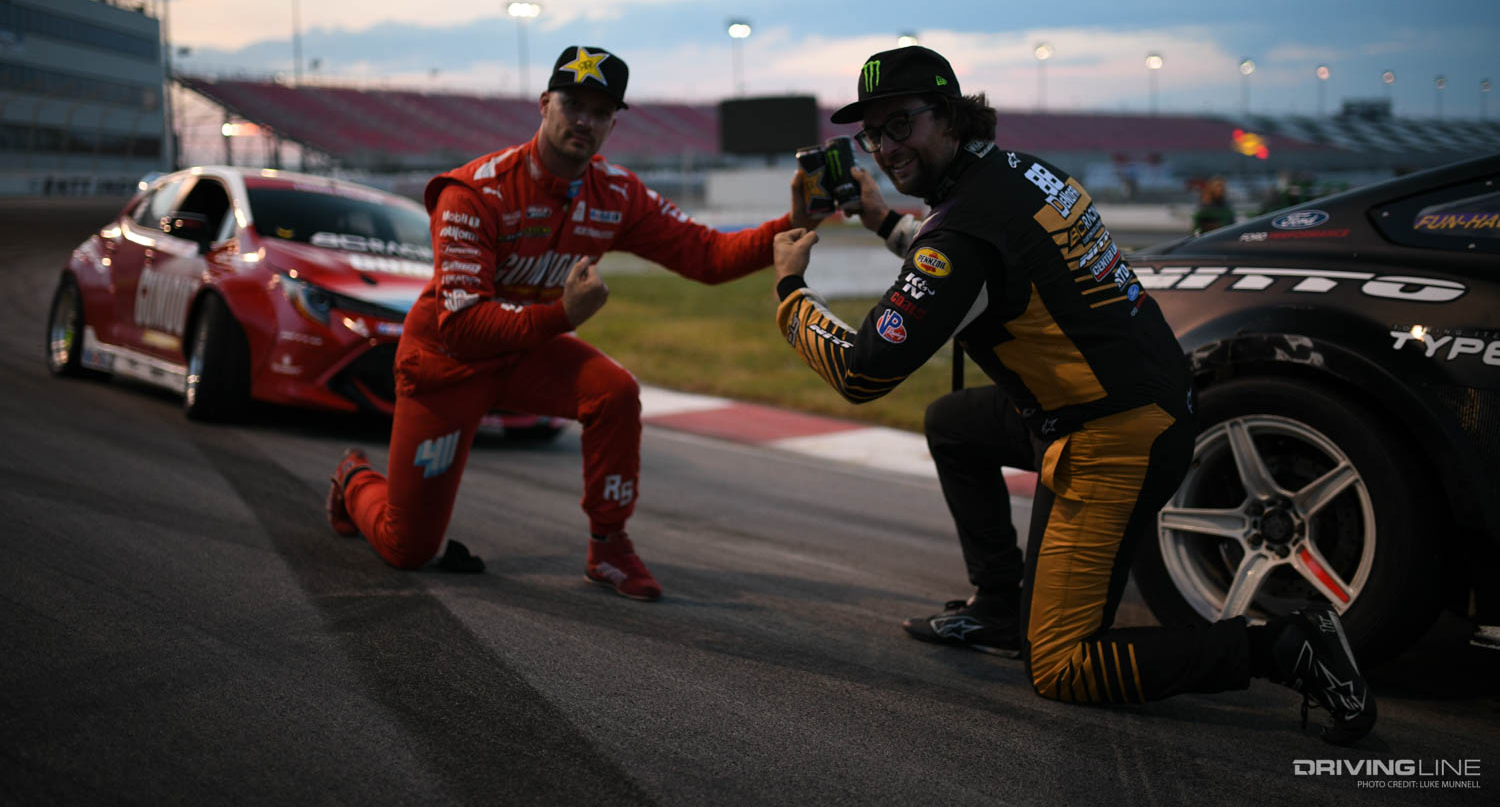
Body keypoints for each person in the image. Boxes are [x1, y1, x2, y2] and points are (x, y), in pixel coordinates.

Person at [769, 44, 1376, 744]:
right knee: (954, 422)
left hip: (1111, 434)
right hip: (1120, 399)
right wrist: (881, 222)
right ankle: (999, 604)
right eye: (870, 133)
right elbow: (974, 262)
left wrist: (790, 292)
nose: (884, 148)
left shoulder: (962, 229)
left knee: (1063, 666)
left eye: (900, 124)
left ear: (950, 117)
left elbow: (863, 371)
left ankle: (1285, 647)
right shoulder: (1017, 172)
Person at [326, 45, 815, 600]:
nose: (584, 120)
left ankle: (609, 546)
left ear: (612, 124)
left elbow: (706, 257)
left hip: (525, 353)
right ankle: (354, 479)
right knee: (407, 548)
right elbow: (462, 327)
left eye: (601, 112)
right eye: (573, 104)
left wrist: (794, 221)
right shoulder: (473, 192)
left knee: (614, 392)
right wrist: (562, 315)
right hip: (447, 362)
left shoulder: (618, 193)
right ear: (544, 104)